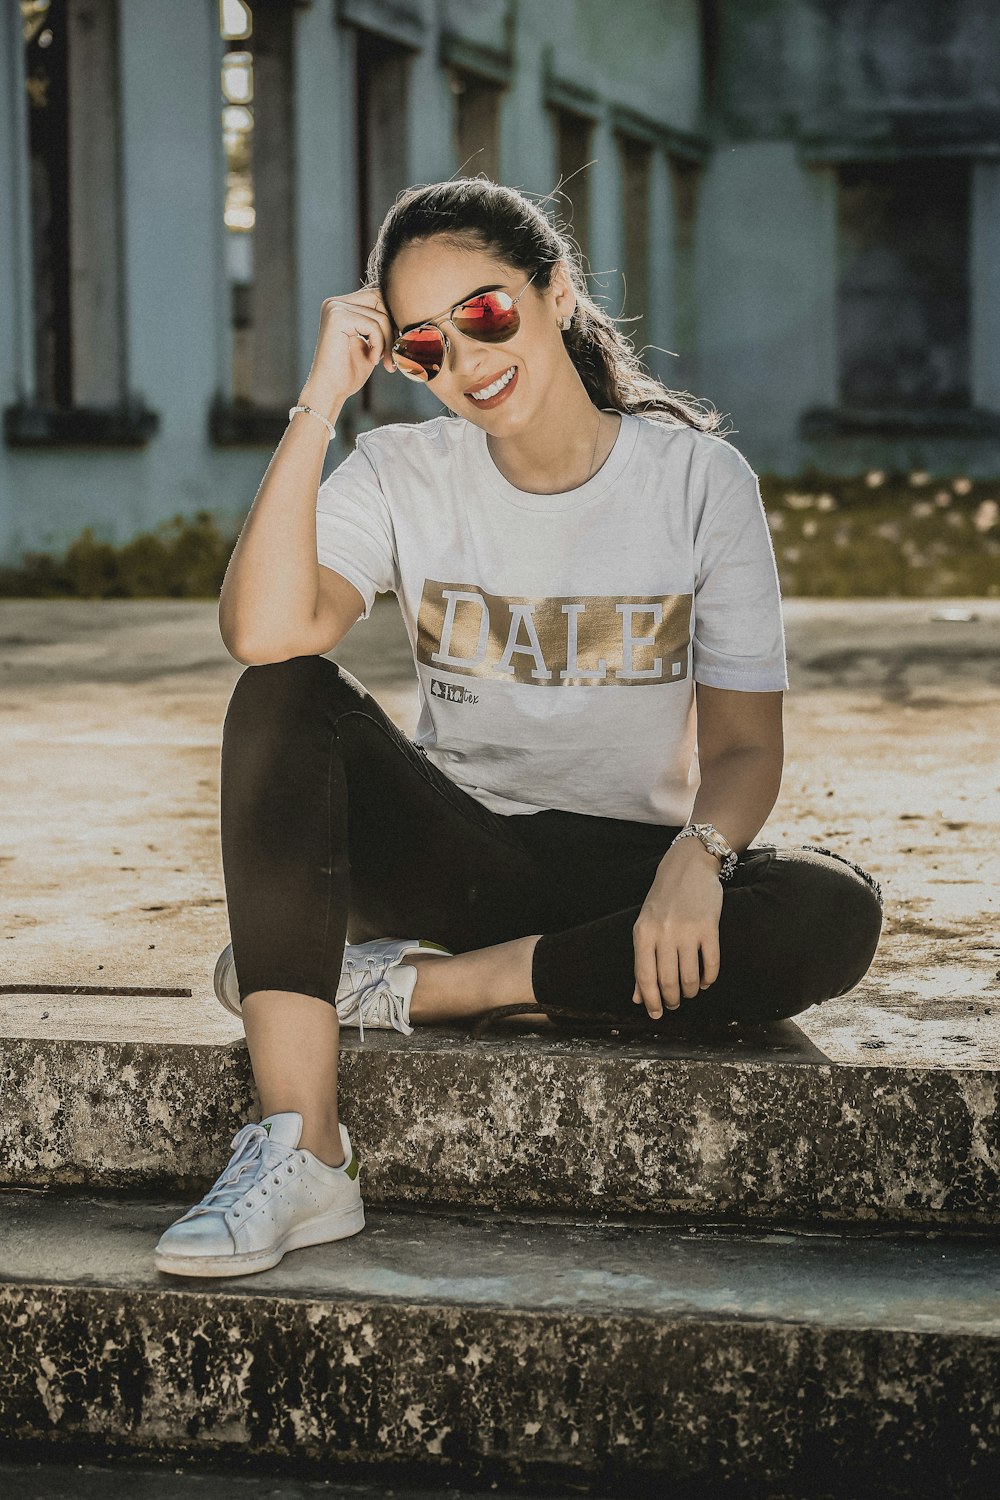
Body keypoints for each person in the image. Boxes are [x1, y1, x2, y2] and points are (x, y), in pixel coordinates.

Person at [153, 177, 883, 1280]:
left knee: (831, 911)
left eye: (486, 314)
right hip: (457, 853)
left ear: (555, 290)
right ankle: (305, 1149)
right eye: (423, 348)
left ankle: (428, 987)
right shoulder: (402, 471)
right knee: (283, 694)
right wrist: (318, 403)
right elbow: (264, 630)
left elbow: (742, 746)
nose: (466, 361)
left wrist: (701, 852)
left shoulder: (694, 481)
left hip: (621, 876)